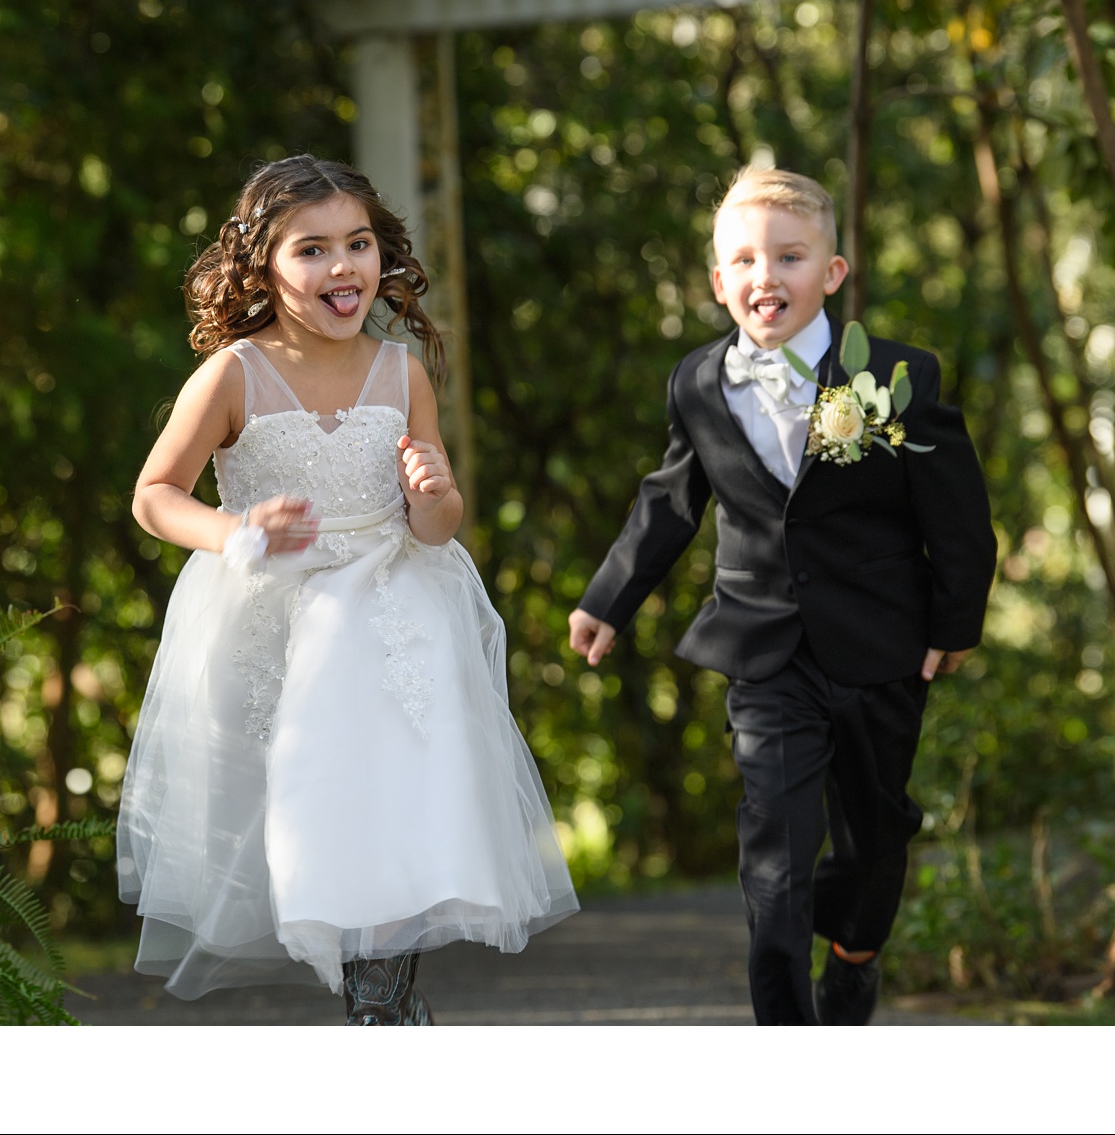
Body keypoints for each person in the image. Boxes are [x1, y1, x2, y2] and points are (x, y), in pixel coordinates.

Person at [119, 153, 577, 1024]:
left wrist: (436, 497)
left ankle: (382, 1008)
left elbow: (434, 526)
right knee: (321, 811)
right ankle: (378, 1004)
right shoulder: (233, 375)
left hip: (400, 614)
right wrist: (237, 534)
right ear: (262, 267)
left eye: (358, 244)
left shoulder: (400, 373)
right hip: (283, 620)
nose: (343, 267)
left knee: (401, 802)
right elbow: (153, 495)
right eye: (313, 250)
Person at [567, 166, 995, 1025]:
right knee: (775, 852)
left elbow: (956, 517)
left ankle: (857, 950)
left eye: (790, 256)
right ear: (720, 282)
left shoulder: (896, 378)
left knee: (876, 842)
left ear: (831, 273)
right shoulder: (696, 384)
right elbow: (670, 499)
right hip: (763, 652)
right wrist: (608, 598)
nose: (768, 276)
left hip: (882, 647)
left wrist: (953, 623)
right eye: (746, 260)